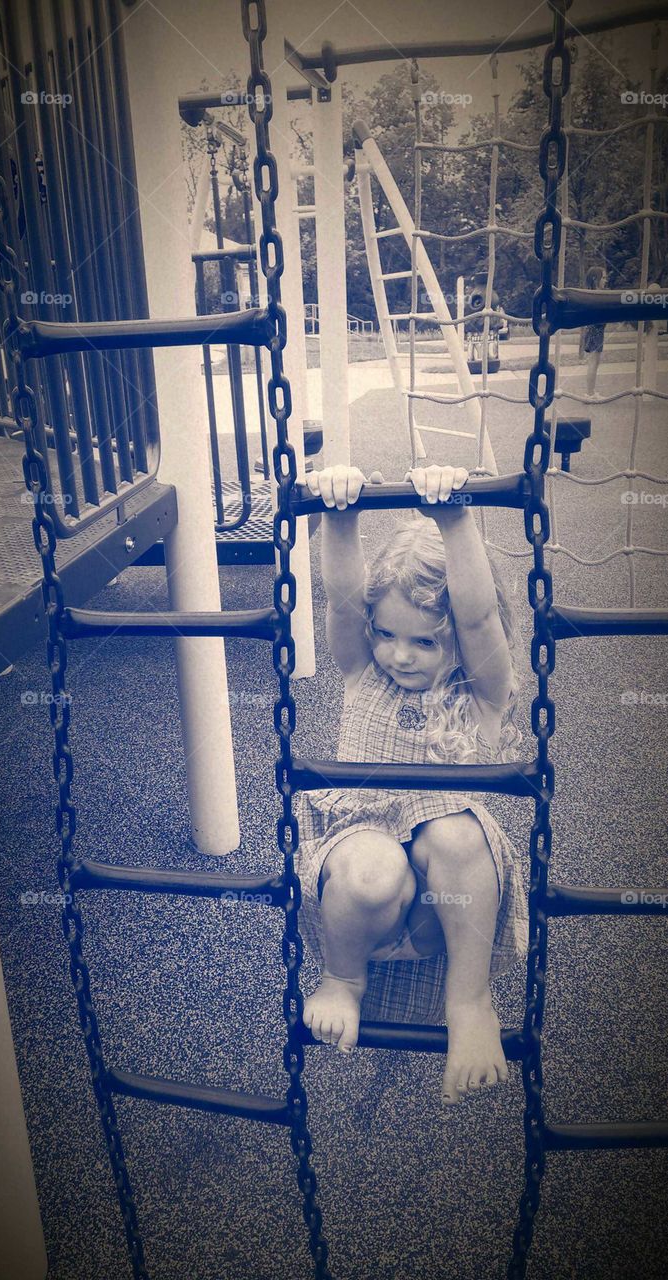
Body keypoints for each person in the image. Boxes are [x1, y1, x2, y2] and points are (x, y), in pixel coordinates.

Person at [294, 463, 528, 1104]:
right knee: (372, 868)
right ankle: (342, 979)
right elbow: (343, 599)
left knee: (458, 834)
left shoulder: (480, 692)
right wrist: (340, 519)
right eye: (387, 634)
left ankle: (470, 1003)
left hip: (441, 902)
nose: (400, 655)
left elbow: (477, 619)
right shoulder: (362, 671)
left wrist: (455, 520)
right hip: (363, 882)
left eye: (424, 641)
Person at [582, 265, 608, 395]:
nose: (605, 281)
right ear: (594, 279)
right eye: (603, 278)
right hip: (594, 331)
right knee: (593, 362)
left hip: (597, 330)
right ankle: (590, 393)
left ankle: (591, 391)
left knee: (596, 362)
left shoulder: (597, 294)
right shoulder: (594, 295)